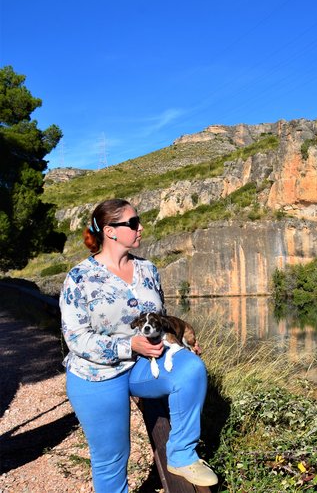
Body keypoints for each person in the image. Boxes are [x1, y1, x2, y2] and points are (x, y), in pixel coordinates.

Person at [59, 198, 218, 492]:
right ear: (110, 231)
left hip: (144, 366)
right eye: (133, 223)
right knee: (112, 458)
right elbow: (76, 338)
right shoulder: (79, 278)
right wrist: (129, 344)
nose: (140, 227)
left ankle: (181, 454)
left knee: (191, 369)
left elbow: (162, 318)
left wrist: (180, 343)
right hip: (96, 375)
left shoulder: (148, 270)